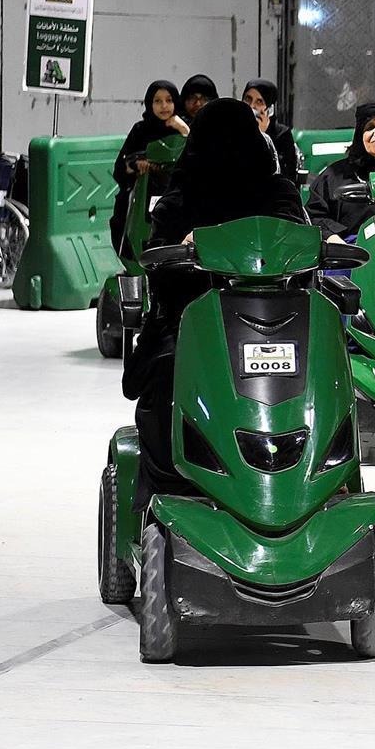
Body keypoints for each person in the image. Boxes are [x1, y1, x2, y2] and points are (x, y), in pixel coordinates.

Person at [123, 99, 308, 512]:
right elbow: (156, 265)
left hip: (275, 319)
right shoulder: (178, 200)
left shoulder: (278, 192)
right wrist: (184, 250)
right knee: (166, 374)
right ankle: (171, 489)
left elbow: (297, 241)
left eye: (236, 137)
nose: (228, 148)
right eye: (218, 138)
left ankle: (318, 477)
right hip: (192, 320)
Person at [305, 101, 375, 242]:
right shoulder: (334, 175)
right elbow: (314, 215)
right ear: (359, 134)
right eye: (370, 127)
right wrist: (333, 238)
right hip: (346, 250)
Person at [110, 80, 187, 255]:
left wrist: (183, 129)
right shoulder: (140, 130)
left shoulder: (184, 126)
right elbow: (120, 168)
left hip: (175, 196)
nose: (164, 106)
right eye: (157, 101)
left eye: (169, 100)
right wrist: (136, 165)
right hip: (142, 197)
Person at [241, 79, 301, 182]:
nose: (251, 106)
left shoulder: (282, 135)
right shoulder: (233, 129)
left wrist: (261, 135)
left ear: (270, 109)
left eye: (259, 102)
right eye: (248, 99)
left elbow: (285, 177)